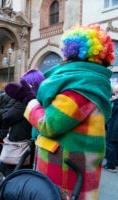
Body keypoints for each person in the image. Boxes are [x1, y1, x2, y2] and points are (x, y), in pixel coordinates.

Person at [24, 25, 115, 199]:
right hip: (72, 169)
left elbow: (49, 124)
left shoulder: (81, 89)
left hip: (66, 175)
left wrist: (32, 105)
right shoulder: (88, 85)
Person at [0, 70, 45, 177]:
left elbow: (6, 118)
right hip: (35, 148)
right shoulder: (42, 100)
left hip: (21, 145)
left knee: (14, 174)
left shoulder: (26, 101)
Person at [104, 86, 118, 172]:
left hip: (115, 127)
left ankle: (110, 165)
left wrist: (114, 100)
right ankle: (115, 163)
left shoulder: (115, 102)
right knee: (115, 145)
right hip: (114, 126)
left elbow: (112, 111)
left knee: (111, 145)